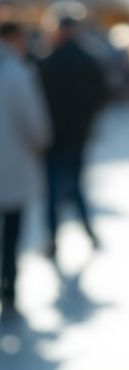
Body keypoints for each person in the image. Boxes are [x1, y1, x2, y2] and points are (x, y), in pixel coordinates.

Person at [38, 14, 108, 260]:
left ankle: (53, 239)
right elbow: (102, 95)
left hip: (52, 136)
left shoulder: (47, 61)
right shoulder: (88, 60)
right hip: (77, 135)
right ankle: (88, 231)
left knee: (53, 190)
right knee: (76, 186)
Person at [0, 22, 51, 321]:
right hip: (12, 167)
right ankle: (9, 287)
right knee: (12, 231)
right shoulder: (17, 73)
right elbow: (36, 125)